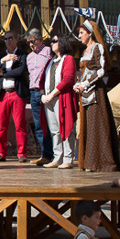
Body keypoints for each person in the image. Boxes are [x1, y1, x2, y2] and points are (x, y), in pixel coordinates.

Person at [74, 19, 120, 172]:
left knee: (97, 125)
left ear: (90, 33)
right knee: (87, 126)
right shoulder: (84, 51)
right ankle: (89, 162)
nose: (79, 36)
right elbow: (82, 72)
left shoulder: (98, 47)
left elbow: (101, 71)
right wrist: (77, 83)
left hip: (96, 92)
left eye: (82, 33)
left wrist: (85, 84)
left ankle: (101, 162)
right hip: (85, 93)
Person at [41, 33, 78, 169]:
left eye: (54, 41)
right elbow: (42, 80)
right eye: (51, 41)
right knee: (54, 130)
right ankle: (57, 157)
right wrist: (43, 95)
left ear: (62, 42)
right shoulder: (51, 61)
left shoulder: (68, 59)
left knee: (66, 127)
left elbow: (68, 79)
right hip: (49, 99)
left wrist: (52, 94)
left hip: (62, 98)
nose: (51, 43)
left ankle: (68, 158)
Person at [0, 30, 30, 162]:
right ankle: (2, 153)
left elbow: (20, 71)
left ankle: (21, 153)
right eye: (5, 39)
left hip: (17, 93)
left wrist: (3, 73)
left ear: (16, 40)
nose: (8, 41)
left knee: (19, 124)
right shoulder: (0, 56)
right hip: (3, 93)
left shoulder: (22, 55)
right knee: (1, 125)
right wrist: (3, 60)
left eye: (10, 38)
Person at [25, 29, 54, 165]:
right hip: (33, 93)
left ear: (40, 39)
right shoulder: (29, 57)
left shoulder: (49, 51)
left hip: (46, 92)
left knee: (50, 123)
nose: (31, 45)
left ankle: (54, 154)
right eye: (29, 42)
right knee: (38, 125)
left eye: (33, 41)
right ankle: (45, 155)